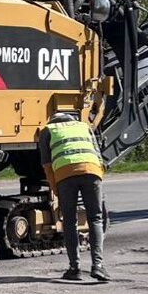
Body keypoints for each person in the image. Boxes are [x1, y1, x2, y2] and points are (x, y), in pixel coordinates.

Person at [39, 111, 109, 282]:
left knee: (69, 221)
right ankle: (98, 266)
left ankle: (75, 268)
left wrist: (56, 189)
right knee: (96, 219)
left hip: (65, 175)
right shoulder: (84, 126)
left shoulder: (47, 130)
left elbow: (47, 166)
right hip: (92, 171)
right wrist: (98, 179)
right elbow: (98, 156)